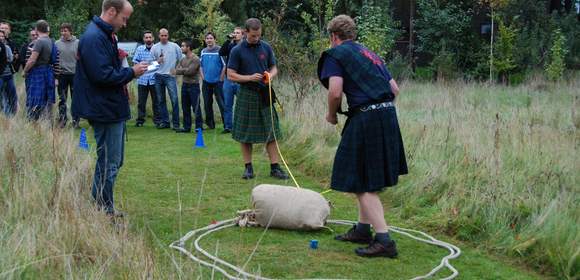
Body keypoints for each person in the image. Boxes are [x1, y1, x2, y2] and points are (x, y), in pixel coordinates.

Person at [317, 15, 408, 258]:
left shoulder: (335, 55)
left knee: (361, 180)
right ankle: (362, 230)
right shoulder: (370, 54)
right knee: (365, 177)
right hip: (387, 115)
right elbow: (394, 90)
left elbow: (335, 92)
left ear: (333, 36)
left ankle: (384, 240)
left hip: (366, 119)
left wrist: (332, 115)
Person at [72, 0, 148, 216]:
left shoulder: (103, 35)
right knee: (109, 163)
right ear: (112, 12)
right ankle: (103, 211)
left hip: (110, 107)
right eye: (124, 18)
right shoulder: (94, 37)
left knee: (114, 161)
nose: (125, 24)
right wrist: (132, 72)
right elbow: (102, 75)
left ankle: (103, 208)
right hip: (103, 109)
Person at [226, 18, 289, 180]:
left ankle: (275, 167)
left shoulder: (266, 47)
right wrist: (249, 78)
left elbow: (274, 67)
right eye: (253, 36)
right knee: (245, 133)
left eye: (259, 35)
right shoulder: (237, 50)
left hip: (264, 94)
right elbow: (230, 75)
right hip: (247, 94)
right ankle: (248, 168)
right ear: (246, 33)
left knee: (271, 131)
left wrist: (270, 75)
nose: (256, 38)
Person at [22, 20, 57, 121]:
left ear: (37, 29)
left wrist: (24, 71)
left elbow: (32, 60)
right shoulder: (50, 40)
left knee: (36, 98)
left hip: (38, 72)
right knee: (47, 98)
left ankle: (33, 122)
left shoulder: (39, 41)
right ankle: (47, 122)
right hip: (48, 71)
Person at [151, 28, 181, 130]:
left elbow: (181, 59)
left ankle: (176, 124)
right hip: (158, 76)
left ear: (168, 36)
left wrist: (176, 70)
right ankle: (165, 122)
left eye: (166, 35)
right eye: (162, 35)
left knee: (174, 99)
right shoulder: (154, 47)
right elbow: (150, 63)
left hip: (170, 76)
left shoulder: (174, 46)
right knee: (160, 100)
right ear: (159, 36)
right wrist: (157, 61)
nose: (164, 37)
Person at [172, 40, 203, 133]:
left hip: (194, 86)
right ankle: (186, 127)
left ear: (188, 47)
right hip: (184, 85)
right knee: (185, 107)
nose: (181, 48)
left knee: (196, 107)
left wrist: (181, 70)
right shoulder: (182, 59)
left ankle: (198, 127)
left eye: (183, 46)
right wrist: (183, 70)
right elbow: (176, 70)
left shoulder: (195, 59)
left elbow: (191, 71)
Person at [132, 30, 159, 127]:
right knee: (141, 102)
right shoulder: (139, 49)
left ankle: (157, 120)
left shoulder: (157, 49)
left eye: (150, 37)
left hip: (154, 79)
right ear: (143, 39)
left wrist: (149, 66)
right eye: (146, 37)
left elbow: (160, 63)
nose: (148, 39)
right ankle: (140, 120)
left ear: (153, 38)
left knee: (156, 101)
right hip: (142, 79)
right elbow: (135, 62)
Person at [55, 23, 80, 128]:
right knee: (62, 99)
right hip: (62, 75)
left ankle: (75, 121)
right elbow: (55, 59)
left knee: (76, 98)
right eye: (62, 31)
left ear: (70, 31)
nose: (63, 33)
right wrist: (55, 76)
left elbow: (81, 57)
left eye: (65, 31)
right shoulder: (57, 43)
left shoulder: (78, 42)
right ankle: (62, 119)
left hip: (75, 74)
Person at [219, 27, 243, 134]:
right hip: (228, 79)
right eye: (234, 33)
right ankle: (228, 127)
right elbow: (221, 52)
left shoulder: (245, 46)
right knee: (227, 105)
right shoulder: (230, 45)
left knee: (242, 104)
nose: (235, 34)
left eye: (238, 33)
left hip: (240, 79)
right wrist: (229, 40)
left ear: (243, 35)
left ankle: (241, 126)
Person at [200, 32, 225, 130]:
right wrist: (203, 77)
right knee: (207, 104)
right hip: (206, 82)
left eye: (211, 38)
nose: (209, 40)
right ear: (205, 40)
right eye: (207, 38)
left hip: (218, 82)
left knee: (221, 103)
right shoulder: (203, 51)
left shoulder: (220, 50)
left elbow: (224, 66)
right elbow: (201, 66)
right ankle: (210, 125)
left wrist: (221, 78)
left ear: (215, 39)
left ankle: (226, 124)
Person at [0, 30, 17, 116]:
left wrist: (4, 59)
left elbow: (10, 59)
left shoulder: (7, 47)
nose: (1, 38)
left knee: (12, 96)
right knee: (2, 97)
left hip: (8, 75)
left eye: (2, 36)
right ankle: (4, 114)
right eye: (0, 36)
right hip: (0, 76)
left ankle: (12, 114)